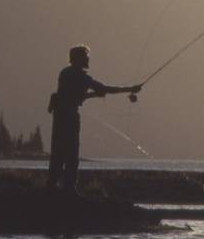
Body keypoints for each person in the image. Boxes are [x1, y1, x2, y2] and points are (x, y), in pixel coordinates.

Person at [47, 44, 141, 194]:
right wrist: (130, 89)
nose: (88, 60)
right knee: (71, 153)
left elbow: (72, 96)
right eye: (86, 57)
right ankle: (69, 188)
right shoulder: (81, 76)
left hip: (59, 116)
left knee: (58, 152)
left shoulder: (65, 73)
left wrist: (93, 95)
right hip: (69, 117)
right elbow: (105, 88)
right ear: (79, 59)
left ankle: (52, 187)